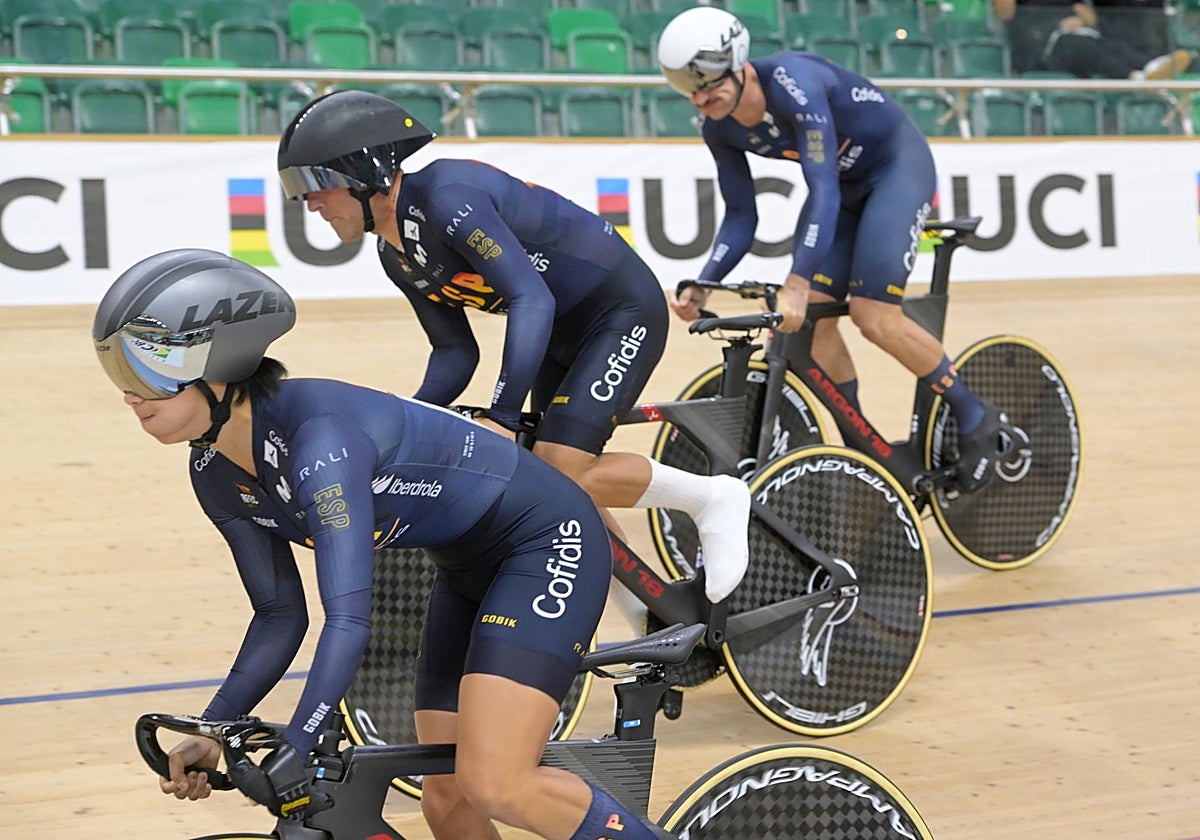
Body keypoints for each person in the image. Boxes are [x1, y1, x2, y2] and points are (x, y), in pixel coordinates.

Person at [93, 250, 675, 840]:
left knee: (498, 782)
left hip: (549, 543)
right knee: (447, 798)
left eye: (152, 373)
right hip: (467, 566)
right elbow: (278, 615)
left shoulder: (320, 443)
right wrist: (216, 728)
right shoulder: (213, 467)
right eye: (121, 375)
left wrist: (300, 739)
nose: (131, 397)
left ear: (222, 369)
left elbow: (348, 619)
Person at [276, 89, 749, 606]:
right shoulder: (398, 256)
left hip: (618, 312)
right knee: (556, 488)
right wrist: (410, 419)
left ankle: (714, 499)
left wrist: (502, 413)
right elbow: (455, 353)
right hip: (558, 330)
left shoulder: (447, 199)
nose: (310, 202)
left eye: (319, 184)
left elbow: (531, 298)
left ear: (368, 174)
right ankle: (649, 612)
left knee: (565, 465)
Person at [657, 6, 1010, 491]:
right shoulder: (718, 126)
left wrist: (797, 282)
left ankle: (975, 414)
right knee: (815, 330)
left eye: (710, 83)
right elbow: (742, 216)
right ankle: (864, 446)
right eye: (688, 89)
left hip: (894, 170)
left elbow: (821, 189)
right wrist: (703, 280)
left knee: (873, 316)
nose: (701, 97)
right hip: (844, 188)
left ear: (738, 62)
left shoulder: (794, 84)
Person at [995, 0, 1192, 79]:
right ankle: (1135, 78)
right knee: (1081, 45)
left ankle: (1151, 66)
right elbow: (1004, 14)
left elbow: (1091, 18)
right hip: (1038, 47)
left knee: (1110, 43)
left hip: (1073, 37)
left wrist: (1080, 20)